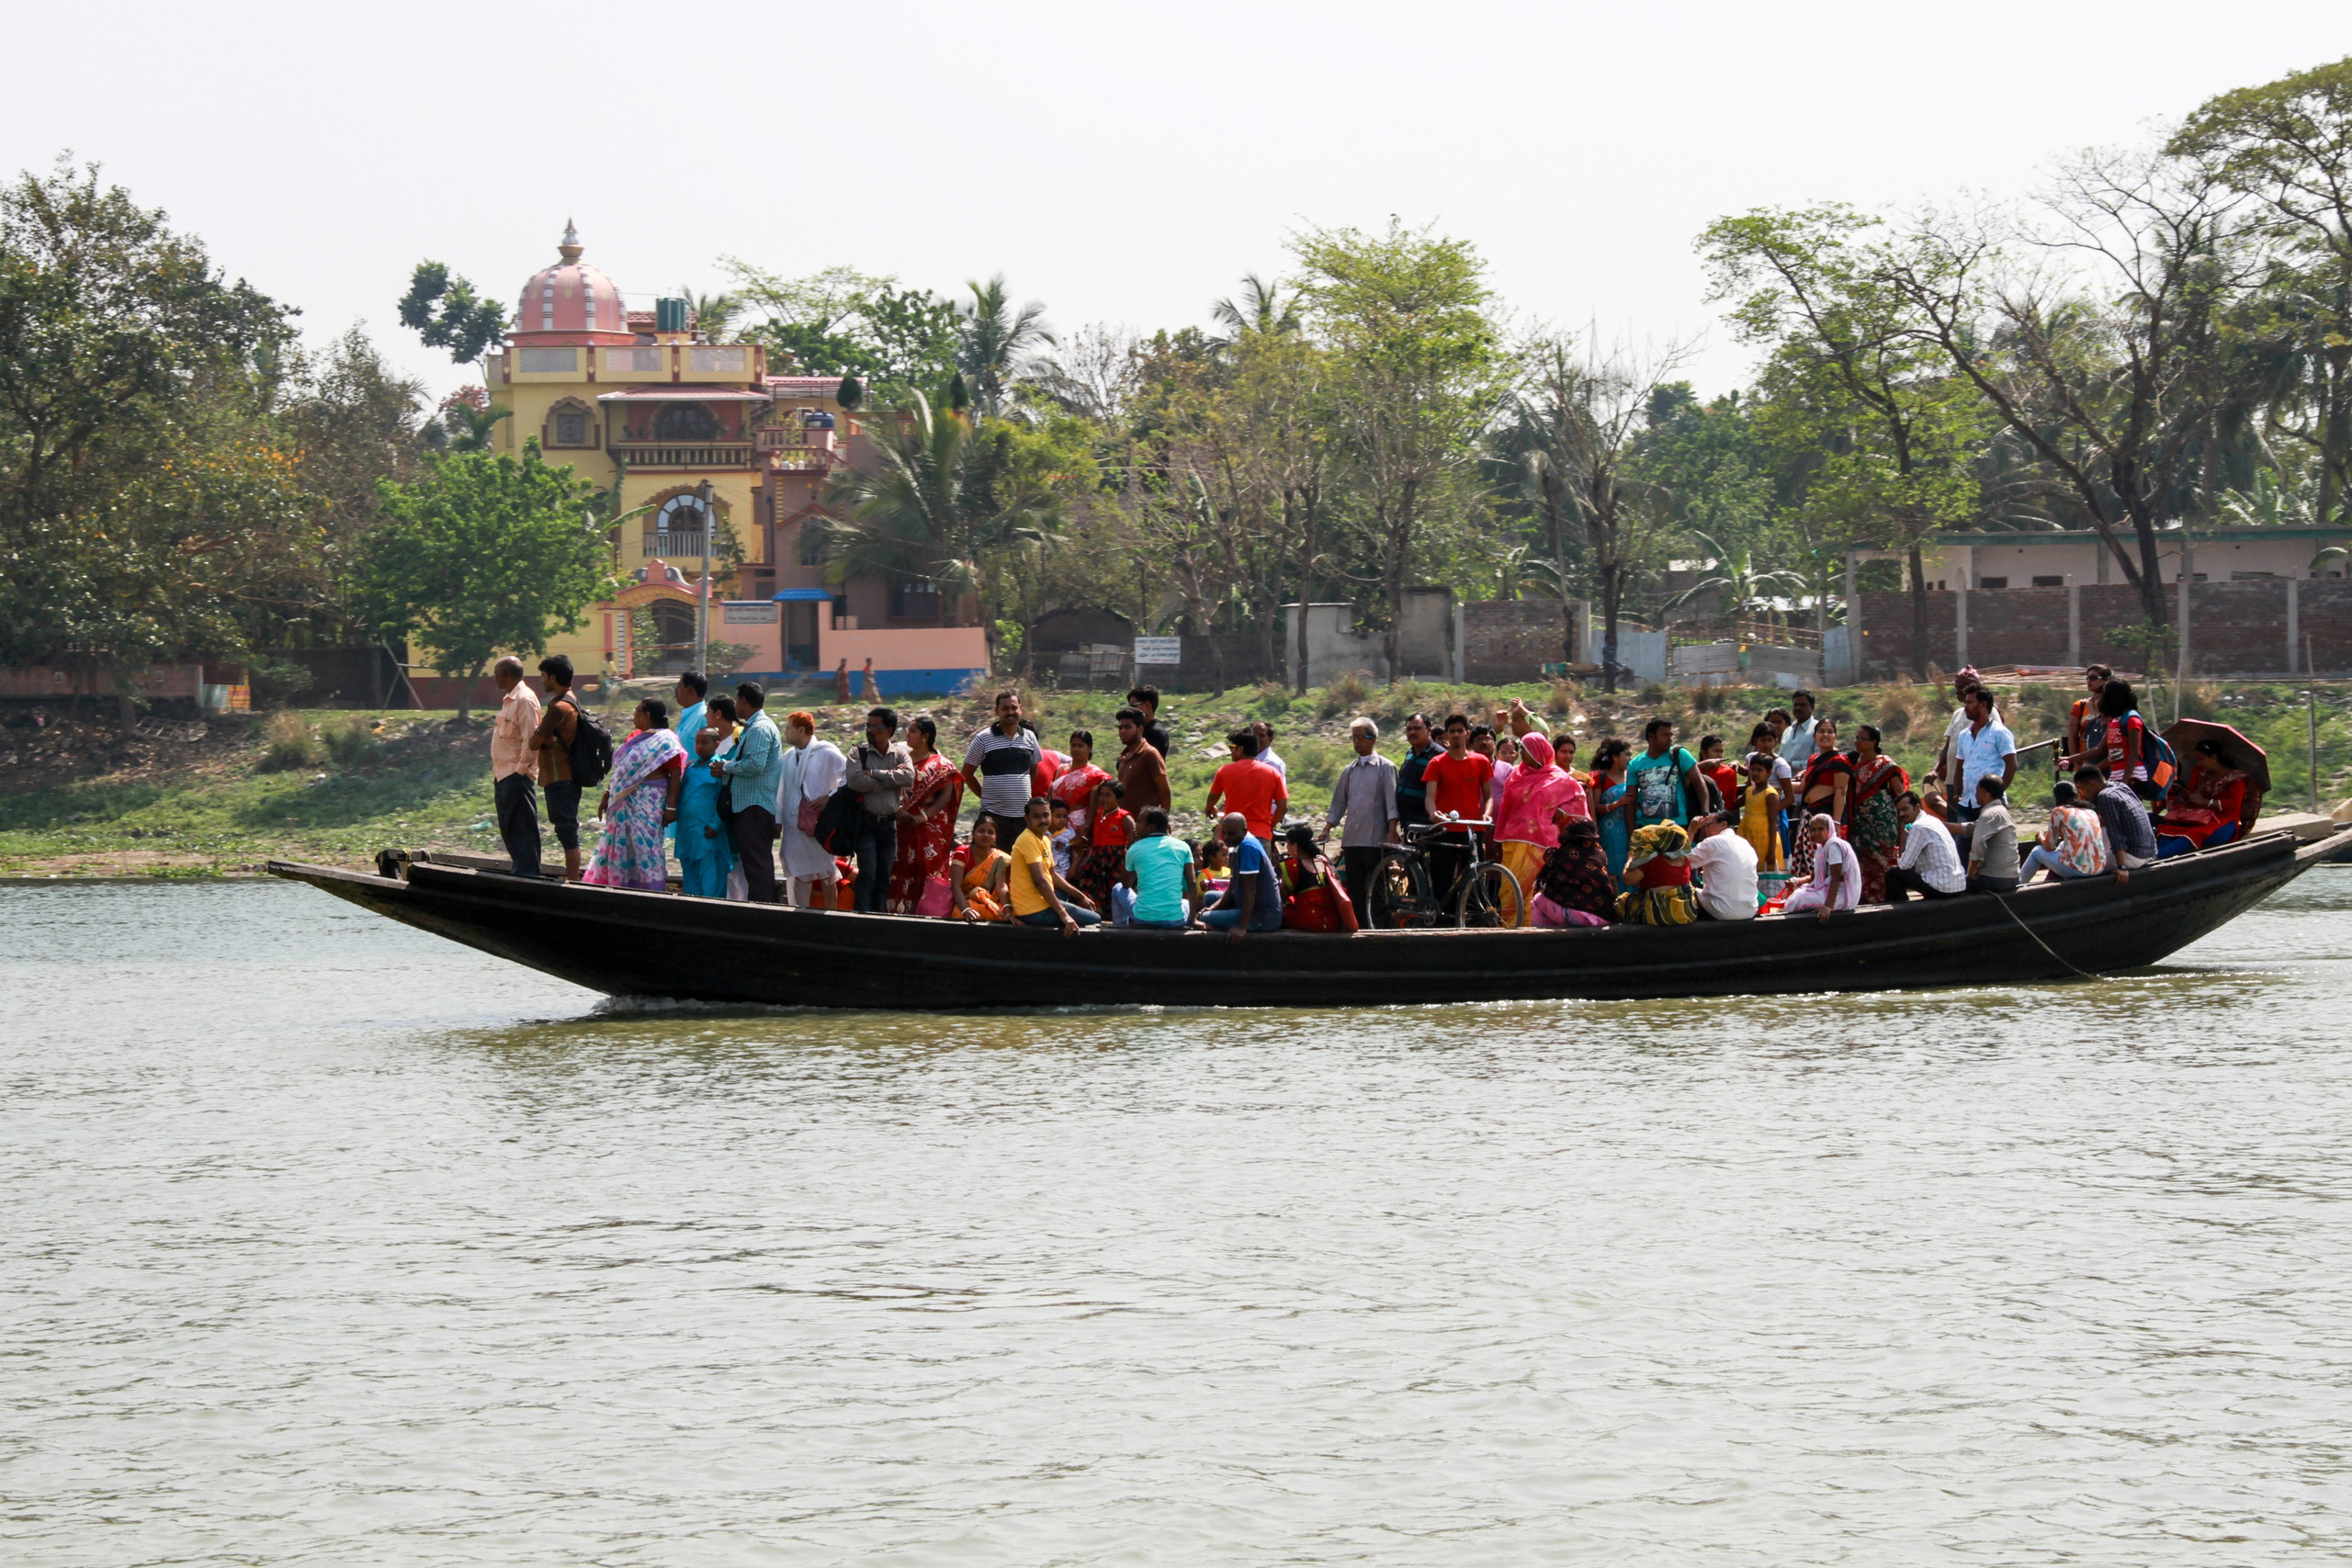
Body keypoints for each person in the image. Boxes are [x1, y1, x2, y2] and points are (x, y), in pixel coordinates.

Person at [582, 699, 687, 892]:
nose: (633, 716)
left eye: (637, 712)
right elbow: (621, 772)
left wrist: (671, 808)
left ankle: (651, 892)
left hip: (649, 804)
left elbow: (675, 775)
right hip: (622, 803)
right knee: (621, 847)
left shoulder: (666, 741)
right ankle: (618, 887)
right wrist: (607, 794)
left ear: (647, 715)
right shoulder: (634, 738)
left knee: (647, 851)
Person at [1493, 732, 1583, 927]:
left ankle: (1533, 931)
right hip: (1514, 841)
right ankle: (1509, 929)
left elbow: (1578, 799)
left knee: (1535, 889)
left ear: (1536, 752)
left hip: (1542, 844)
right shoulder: (1516, 775)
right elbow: (1507, 807)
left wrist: (1562, 811)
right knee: (1510, 887)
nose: (1521, 754)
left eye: (1524, 750)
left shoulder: (1559, 777)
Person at [1324, 716, 1400, 928]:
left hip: (1375, 839)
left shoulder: (1386, 767)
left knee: (1377, 888)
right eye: (1353, 738)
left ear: (1372, 739)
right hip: (1352, 838)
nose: (1357, 741)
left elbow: (1391, 802)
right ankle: (1358, 928)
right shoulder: (1349, 770)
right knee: (1355, 887)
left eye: (1361, 737)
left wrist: (1392, 830)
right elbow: (1339, 803)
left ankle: (1380, 928)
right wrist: (1327, 828)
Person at [711, 682, 783, 904]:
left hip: (754, 808)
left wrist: (726, 766)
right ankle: (761, 909)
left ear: (743, 700)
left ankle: (762, 912)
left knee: (757, 866)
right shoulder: (753, 727)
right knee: (755, 865)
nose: (735, 705)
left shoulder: (760, 728)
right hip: (749, 807)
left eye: (736, 699)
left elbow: (754, 765)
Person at [888, 715, 965, 914]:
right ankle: (895, 913)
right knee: (897, 870)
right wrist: (899, 811)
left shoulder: (940, 764)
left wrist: (922, 817)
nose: (907, 733)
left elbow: (945, 797)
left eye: (912, 730)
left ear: (925, 736)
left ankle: (928, 911)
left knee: (926, 871)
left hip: (927, 829)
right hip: (900, 826)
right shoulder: (900, 759)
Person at [842, 706, 914, 913]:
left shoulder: (901, 754)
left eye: (876, 726)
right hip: (866, 823)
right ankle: (862, 918)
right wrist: (890, 780)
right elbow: (855, 781)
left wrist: (874, 773)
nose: (870, 730)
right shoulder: (858, 752)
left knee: (884, 877)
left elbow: (908, 778)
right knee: (868, 874)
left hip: (889, 825)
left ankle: (880, 918)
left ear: (889, 730)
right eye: (868, 725)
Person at [1419, 713, 1495, 904]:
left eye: (1460, 731)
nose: (1456, 735)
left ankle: (1474, 921)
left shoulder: (1481, 762)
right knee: (1443, 882)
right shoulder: (1437, 763)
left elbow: (1489, 797)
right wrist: (1433, 813)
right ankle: (1442, 925)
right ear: (1446, 735)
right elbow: (1429, 797)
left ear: (1467, 733)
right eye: (1452, 731)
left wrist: (1487, 814)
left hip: (1472, 829)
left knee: (1475, 878)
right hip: (1446, 829)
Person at [777, 709, 845, 909]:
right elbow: (780, 791)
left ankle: (832, 916)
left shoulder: (826, 752)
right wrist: (777, 820)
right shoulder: (788, 757)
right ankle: (801, 916)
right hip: (794, 827)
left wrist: (829, 798)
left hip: (819, 825)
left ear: (800, 730)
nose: (786, 732)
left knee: (827, 872)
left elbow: (848, 777)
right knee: (798, 872)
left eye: (788, 728)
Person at [962, 690, 1042, 850]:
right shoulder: (983, 738)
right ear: (996, 711)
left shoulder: (1030, 737)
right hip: (993, 816)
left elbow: (1033, 771)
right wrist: (984, 795)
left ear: (1021, 709)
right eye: (1005, 709)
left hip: (1022, 816)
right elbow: (967, 773)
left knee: (1019, 863)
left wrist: (1019, 793)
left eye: (1014, 708)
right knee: (992, 863)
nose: (1010, 712)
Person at [531, 653, 586, 881]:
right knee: (567, 830)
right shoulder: (571, 700)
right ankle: (573, 881)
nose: (541, 680)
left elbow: (534, 742)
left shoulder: (558, 708)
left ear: (553, 678)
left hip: (560, 778)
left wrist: (541, 738)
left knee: (567, 833)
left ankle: (573, 883)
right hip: (566, 778)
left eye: (543, 676)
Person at [1009, 795, 1101, 931]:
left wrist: (1081, 897)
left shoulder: (1045, 839)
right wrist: (1063, 914)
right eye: (1036, 817)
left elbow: (1052, 875)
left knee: (1080, 905)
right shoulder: (1027, 840)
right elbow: (1039, 880)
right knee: (1094, 919)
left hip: (1040, 902)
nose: (1043, 820)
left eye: (1046, 815)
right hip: (1031, 910)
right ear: (1027, 819)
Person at [490, 656, 545, 876]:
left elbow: (531, 739)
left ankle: (528, 875)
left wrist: (520, 770)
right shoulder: (510, 699)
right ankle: (520, 870)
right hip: (503, 774)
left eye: (496, 673)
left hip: (516, 774)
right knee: (510, 827)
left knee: (522, 828)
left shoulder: (524, 699)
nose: (494, 677)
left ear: (506, 674)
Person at [675, 704, 737, 899]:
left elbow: (725, 798)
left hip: (709, 834)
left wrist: (715, 825)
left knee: (711, 884)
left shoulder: (720, 769)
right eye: (697, 743)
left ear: (716, 744)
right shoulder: (690, 769)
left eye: (704, 743)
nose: (699, 747)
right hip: (688, 834)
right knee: (691, 883)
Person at [1846, 724, 1910, 905]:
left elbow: (1899, 792)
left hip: (1882, 821)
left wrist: (1904, 816)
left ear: (1873, 742)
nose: (1857, 742)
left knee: (1883, 858)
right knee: (1864, 858)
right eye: (1856, 738)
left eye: (1862, 739)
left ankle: (1886, 895)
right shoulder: (1854, 764)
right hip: (1861, 821)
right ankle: (1867, 896)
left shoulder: (1885, 765)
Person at [2154, 739, 2250, 856]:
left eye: (2201, 759)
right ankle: (2159, 856)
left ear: (2214, 758)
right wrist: (2187, 796)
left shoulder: (2236, 778)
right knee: (2167, 831)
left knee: (2189, 837)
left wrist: (2205, 802)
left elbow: (2234, 805)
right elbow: (2193, 792)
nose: (2198, 763)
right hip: (2197, 816)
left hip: (2223, 821)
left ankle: (2160, 858)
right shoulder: (2199, 771)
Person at [1949, 683, 2018, 840]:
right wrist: (1957, 794)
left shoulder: (1999, 733)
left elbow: (2011, 765)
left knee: (1990, 847)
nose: (1965, 707)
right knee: (1963, 848)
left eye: (1970, 703)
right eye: (1965, 703)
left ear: (1983, 705)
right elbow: (1959, 767)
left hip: (1990, 804)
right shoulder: (1964, 735)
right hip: (1967, 803)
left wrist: (1996, 793)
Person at [1200, 812, 1283, 938]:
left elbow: (1250, 890)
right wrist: (1212, 908)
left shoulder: (1248, 847)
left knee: (1204, 918)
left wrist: (1242, 927)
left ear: (1244, 831)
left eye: (1232, 833)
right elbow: (1233, 886)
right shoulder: (1236, 847)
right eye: (1225, 833)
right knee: (1209, 898)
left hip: (1263, 915)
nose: (1227, 838)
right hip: (1246, 904)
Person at [1204, 728, 1287, 852]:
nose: (1230, 750)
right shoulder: (1272, 773)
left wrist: (1209, 808)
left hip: (1232, 835)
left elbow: (1213, 797)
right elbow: (1283, 806)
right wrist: (1270, 824)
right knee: (1260, 869)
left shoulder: (1224, 771)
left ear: (1240, 749)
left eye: (1232, 746)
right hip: (1261, 834)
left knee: (1230, 870)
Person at [1115, 806, 1198, 930]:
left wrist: (1130, 847)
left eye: (1139, 822)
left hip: (1143, 918)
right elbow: (1192, 882)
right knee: (1185, 902)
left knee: (1117, 888)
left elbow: (1126, 884)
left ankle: (1120, 928)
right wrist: (1194, 919)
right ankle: (1191, 922)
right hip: (1175, 920)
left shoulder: (1136, 848)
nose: (1136, 825)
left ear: (1151, 827)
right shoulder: (1183, 846)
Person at [2023, 780, 2116, 884]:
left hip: (2077, 870)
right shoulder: (2091, 812)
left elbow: (2049, 847)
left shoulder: (2059, 811)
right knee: (2063, 844)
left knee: (2037, 851)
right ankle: (2051, 880)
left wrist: (2040, 836)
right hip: (2099, 868)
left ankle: (2020, 883)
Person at [1531, 816, 1615, 928]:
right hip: (1604, 916)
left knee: (1537, 900)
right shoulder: (1600, 854)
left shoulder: (1564, 853)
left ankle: (1541, 943)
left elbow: (1551, 883)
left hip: (1579, 915)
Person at [1625, 717, 1707, 832]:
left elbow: (1700, 784)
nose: (1670, 739)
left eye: (1671, 735)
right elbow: (1631, 802)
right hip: (1647, 829)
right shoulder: (1635, 764)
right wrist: (1631, 834)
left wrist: (1705, 814)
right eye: (1665, 735)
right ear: (1652, 737)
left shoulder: (1680, 755)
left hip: (1678, 826)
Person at [1885, 791, 1967, 903]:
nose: (1901, 814)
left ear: (1917, 807)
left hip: (1943, 887)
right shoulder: (1934, 821)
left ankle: (1901, 914)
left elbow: (1904, 865)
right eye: (1899, 811)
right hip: (1957, 885)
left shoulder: (1919, 827)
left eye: (1905, 809)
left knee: (1893, 874)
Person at [2079, 763, 2156, 881]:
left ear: (2091, 783)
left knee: (2077, 866)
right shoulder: (2120, 786)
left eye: (2083, 789)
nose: (2084, 794)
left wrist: (2122, 867)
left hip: (2133, 856)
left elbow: (2115, 833)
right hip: (2149, 853)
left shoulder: (2105, 796)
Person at [1615, 819, 1699, 926]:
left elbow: (1628, 880)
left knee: (1622, 901)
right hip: (1686, 913)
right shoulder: (1685, 859)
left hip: (1657, 914)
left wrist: (1629, 861)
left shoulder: (1652, 859)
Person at [1276, 822, 1358, 932]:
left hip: (1311, 923)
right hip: (1334, 923)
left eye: (1288, 844)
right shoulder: (1323, 860)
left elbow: (1281, 897)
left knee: (1282, 910)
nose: (1287, 848)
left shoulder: (1291, 866)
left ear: (1295, 846)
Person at [1933, 670, 1999, 803]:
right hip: (1954, 781)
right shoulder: (1957, 714)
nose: (1957, 691)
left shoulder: (1989, 713)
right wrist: (1935, 770)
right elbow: (1948, 747)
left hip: (1977, 783)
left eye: (1961, 687)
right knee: (1957, 820)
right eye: (1956, 687)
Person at [2084, 678, 2154, 801]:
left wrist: (2123, 783)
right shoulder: (2115, 720)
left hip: (2132, 778)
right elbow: (2103, 751)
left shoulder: (2132, 719)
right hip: (2117, 776)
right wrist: (2070, 759)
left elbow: (2134, 754)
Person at [1071, 778, 1135, 912]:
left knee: (1113, 889)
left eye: (1108, 795)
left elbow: (1134, 837)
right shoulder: (1098, 815)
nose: (1104, 799)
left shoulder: (1124, 817)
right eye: (1101, 795)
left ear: (1118, 798)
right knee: (1091, 887)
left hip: (1115, 860)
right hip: (1097, 859)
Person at [1781, 814, 1860, 919]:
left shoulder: (1833, 846)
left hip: (1844, 895)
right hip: (1830, 891)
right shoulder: (1821, 849)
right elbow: (1813, 878)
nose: (1816, 833)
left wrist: (1827, 907)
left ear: (1829, 829)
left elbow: (1835, 877)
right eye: (1813, 830)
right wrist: (1796, 881)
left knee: (1799, 900)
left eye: (1821, 829)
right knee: (1795, 893)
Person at [1687, 811, 1758, 921]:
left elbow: (1681, 861)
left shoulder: (1713, 842)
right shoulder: (1745, 843)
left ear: (1723, 824)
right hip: (1750, 910)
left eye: (1708, 825)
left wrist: (1692, 830)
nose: (1705, 829)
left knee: (1684, 890)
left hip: (1722, 911)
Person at [1588, 737, 1634, 886]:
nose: (1630, 758)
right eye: (1626, 754)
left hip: (1631, 830)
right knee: (1612, 870)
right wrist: (1616, 804)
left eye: (1631, 755)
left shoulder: (1632, 777)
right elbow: (1595, 807)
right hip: (1610, 834)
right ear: (1615, 757)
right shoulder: (1601, 778)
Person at [946, 817, 1011, 921]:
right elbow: (956, 886)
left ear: (995, 837)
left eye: (990, 832)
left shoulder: (999, 858)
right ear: (973, 833)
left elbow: (1001, 888)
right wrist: (965, 909)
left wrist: (1008, 912)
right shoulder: (962, 853)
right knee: (960, 915)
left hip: (987, 902)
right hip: (962, 901)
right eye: (981, 831)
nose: (985, 835)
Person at [1964, 775, 2020, 894]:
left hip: (1995, 879)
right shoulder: (2001, 811)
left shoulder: (1989, 815)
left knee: (1953, 887)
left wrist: (1973, 868)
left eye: (1977, 790)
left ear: (1984, 791)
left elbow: (1978, 842)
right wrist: (1939, 824)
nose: (1975, 794)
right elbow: (1968, 828)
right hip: (2012, 877)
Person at [1112, 706, 1170, 816]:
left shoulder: (1150, 754)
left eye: (1128, 727)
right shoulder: (1123, 757)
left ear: (1140, 729)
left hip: (1147, 825)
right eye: (1120, 728)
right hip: (1126, 824)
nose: (1122, 731)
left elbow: (1165, 792)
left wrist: (1163, 820)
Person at [1735, 750, 1786, 874]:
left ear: (1769, 772)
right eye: (1752, 769)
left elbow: (1773, 822)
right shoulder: (1749, 791)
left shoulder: (1770, 794)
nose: (1755, 773)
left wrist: (1771, 851)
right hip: (1748, 835)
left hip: (1764, 839)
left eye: (1759, 770)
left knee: (1762, 871)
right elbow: (1734, 804)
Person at [2062, 664, 2113, 773]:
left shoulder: (2116, 705)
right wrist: (2076, 763)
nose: (2089, 681)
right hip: (2085, 762)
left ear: (2106, 680)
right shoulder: (2080, 706)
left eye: (2093, 678)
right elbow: (2073, 736)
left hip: (2111, 761)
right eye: (2087, 678)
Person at [1395, 713, 1440, 831]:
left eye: (1417, 728)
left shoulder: (1439, 755)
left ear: (1429, 730)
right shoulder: (1410, 754)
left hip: (1428, 825)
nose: (1412, 732)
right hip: (1408, 824)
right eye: (1409, 729)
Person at [1049, 729, 1113, 813]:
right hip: (1055, 821)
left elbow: (1095, 807)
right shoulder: (1061, 769)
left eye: (1080, 746)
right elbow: (1049, 797)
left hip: (1079, 822)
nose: (1076, 749)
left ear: (1089, 748)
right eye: (1073, 745)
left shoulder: (1096, 775)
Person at [1696, 735, 1741, 819]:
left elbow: (1714, 797)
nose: (1720, 755)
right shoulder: (1697, 770)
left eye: (1721, 752)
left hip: (1720, 817)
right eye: (1716, 751)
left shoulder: (1727, 772)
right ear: (1704, 753)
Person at [1125, 685, 1172, 763]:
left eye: (1133, 706)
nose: (1130, 710)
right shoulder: (1139, 731)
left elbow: (1140, 764)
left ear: (1147, 705)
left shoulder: (1156, 734)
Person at [1781, 689, 1821, 775]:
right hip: (1784, 784)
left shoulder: (1819, 730)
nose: (1798, 708)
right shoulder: (1788, 731)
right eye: (1795, 705)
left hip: (1806, 783)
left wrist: (1791, 765)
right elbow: (1780, 759)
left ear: (1812, 707)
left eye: (1802, 705)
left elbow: (1819, 761)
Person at [1048, 796, 1078, 881]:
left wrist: (1074, 865)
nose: (1062, 820)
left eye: (1064, 817)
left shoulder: (1069, 834)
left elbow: (1081, 849)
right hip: (1045, 874)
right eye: (1058, 816)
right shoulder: (1042, 833)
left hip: (1062, 875)